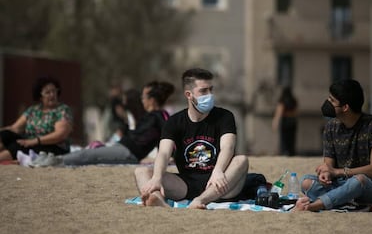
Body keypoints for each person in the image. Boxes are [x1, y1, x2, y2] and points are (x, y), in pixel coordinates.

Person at [135, 68, 249, 209]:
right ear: (189, 95)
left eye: (211, 90)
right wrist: (157, 178)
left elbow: (228, 147)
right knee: (141, 172)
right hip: (185, 184)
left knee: (241, 160)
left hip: (219, 183)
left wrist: (218, 171)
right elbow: (164, 153)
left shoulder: (225, 117)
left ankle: (200, 200)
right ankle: (159, 203)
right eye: (203, 91)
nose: (209, 95)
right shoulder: (174, 121)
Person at [294, 79, 372, 213]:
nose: (327, 103)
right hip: (341, 184)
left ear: (345, 107)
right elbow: (329, 166)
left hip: (370, 187)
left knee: (358, 181)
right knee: (306, 182)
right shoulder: (330, 127)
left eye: (332, 101)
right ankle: (362, 206)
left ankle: (314, 206)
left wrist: (338, 172)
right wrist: (326, 174)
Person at [44, 81, 174, 166]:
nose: (142, 100)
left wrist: (169, 157)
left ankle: (57, 161)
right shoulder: (148, 116)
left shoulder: (161, 115)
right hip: (123, 147)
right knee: (92, 151)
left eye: (144, 97)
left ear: (152, 100)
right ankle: (57, 158)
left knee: (90, 155)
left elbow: (168, 137)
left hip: (129, 153)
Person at [0, 76, 73, 162]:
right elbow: (15, 128)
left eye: (54, 91)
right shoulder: (33, 110)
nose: (52, 95)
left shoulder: (62, 110)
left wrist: (35, 141)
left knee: (19, 147)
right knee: (5, 134)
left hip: (53, 147)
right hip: (31, 142)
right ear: (40, 96)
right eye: (47, 92)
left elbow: (60, 134)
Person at [272, 86, 298, 156]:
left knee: (284, 138)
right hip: (292, 121)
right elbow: (296, 112)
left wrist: (275, 122)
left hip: (285, 121)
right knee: (291, 138)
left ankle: (284, 152)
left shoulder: (282, 100)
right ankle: (291, 152)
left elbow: (279, 112)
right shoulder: (293, 100)